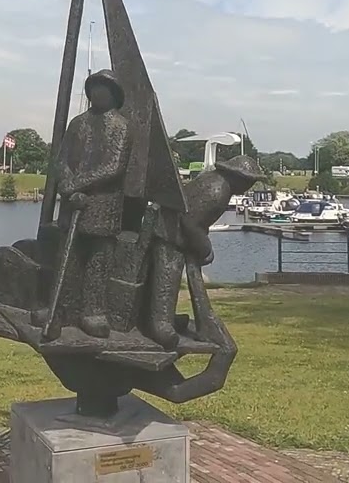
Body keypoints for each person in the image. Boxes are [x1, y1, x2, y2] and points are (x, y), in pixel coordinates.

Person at [34, 69, 131, 339]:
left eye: (105, 88)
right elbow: (61, 159)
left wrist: (79, 184)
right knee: (69, 257)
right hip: (73, 203)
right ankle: (63, 309)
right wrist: (67, 185)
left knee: (98, 261)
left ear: (114, 95)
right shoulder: (78, 123)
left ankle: (94, 312)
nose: (98, 93)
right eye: (95, 87)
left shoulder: (121, 126)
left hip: (103, 204)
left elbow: (114, 167)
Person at [145, 155, 262, 348]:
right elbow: (191, 222)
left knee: (162, 275)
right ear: (239, 178)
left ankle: (161, 317)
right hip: (169, 233)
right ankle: (161, 324)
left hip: (172, 231)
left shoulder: (213, 180)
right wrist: (205, 247)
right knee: (167, 275)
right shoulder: (218, 191)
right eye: (249, 181)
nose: (249, 186)